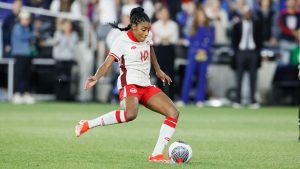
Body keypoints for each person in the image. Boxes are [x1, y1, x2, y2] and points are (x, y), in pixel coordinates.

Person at [75, 7, 179, 162]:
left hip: (145, 84)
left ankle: (156, 154)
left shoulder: (147, 36)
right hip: (129, 83)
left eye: (148, 30)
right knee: (131, 114)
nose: (146, 33)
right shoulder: (121, 40)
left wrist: (158, 70)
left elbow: (150, 49)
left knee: (173, 112)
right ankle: (88, 124)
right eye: (143, 29)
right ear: (134, 26)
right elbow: (107, 63)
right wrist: (96, 77)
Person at [176, 7, 215, 107]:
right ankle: (184, 99)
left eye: (202, 15)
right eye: (199, 16)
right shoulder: (193, 27)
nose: (201, 18)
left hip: (204, 55)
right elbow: (190, 40)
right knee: (188, 76)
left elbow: (210, 41)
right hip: (193, 54)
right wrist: (196, 48)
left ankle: (200, 99)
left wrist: (203, 49)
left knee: (202, 76)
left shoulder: (210, 28)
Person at [231, 7, 263, 108]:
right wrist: (236, 52)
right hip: (241, 52)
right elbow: (233, 40)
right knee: (239, 77)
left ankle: (253, 100)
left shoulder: (257, 25)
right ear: (243, 14)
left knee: (253, 78)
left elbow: (260, 39)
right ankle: (238, 100)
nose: (248, 14)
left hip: (253, 52)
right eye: (246, 13)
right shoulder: (237, 25)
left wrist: (258, 52)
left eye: (249, 13)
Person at [11, 11, 36, 104]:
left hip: (28, 54)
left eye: (28, 19)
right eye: (25, 19)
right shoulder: (18, 27)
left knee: (27, 75)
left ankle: (26, 93)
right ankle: (16, 94)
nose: (27, 21)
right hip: (19, 54)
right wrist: (33, 33)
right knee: (19, 74)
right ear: (21, 19)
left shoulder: (27, 28)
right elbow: (22, 37)